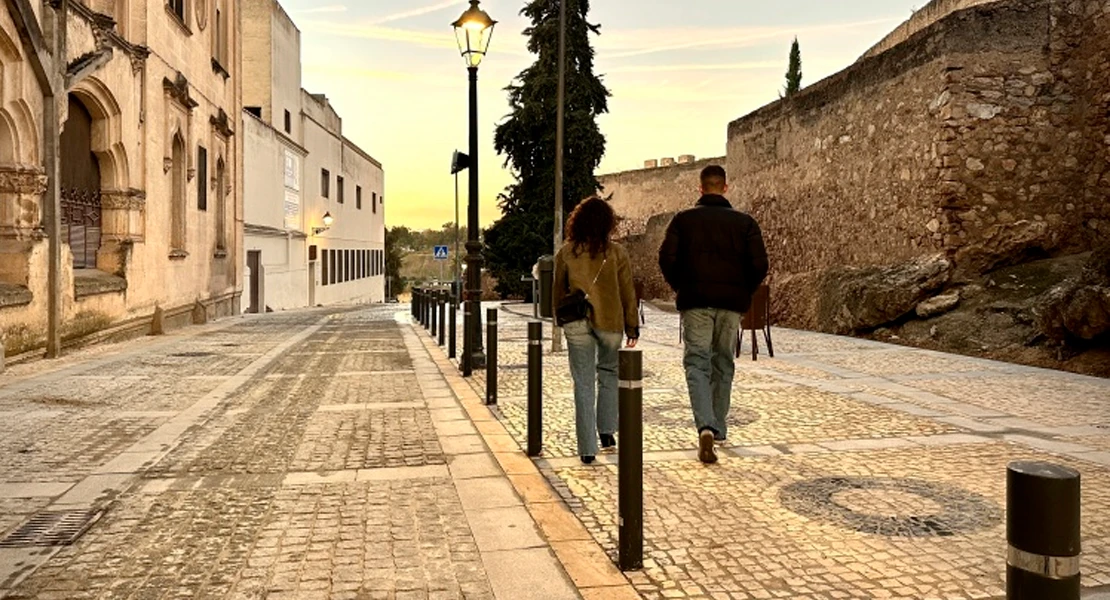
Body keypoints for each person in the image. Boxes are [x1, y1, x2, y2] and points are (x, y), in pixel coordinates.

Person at [658, 165, 768, 464]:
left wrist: (681, 285)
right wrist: (743, 290)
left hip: (695, 301)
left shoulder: (683, 220)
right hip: (731, 304)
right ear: (725, 188)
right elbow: (760, 265)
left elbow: (666, 258)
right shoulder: (745, 223)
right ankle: (717, 427)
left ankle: (705, 425)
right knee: (723, 361)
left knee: (697, 362)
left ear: (700, 188)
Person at [553, 197, 640, 464]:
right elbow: (627, 292)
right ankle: (606, 432)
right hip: (611, 322)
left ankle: (587, 449)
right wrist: (632, 325)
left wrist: (559, 318)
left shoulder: (566, 252)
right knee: (609, 374)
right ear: (608, 223)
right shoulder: (617, 253)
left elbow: (557, 289)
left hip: (577, 321)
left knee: (583, 383)